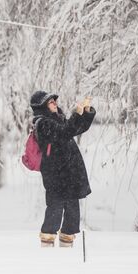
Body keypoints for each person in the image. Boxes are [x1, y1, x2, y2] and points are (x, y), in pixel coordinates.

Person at [30, 90, 95, 247]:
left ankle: (67, 246)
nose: (55, 103)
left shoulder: (58, 119)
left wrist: (85, 113)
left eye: (54, 101)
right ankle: (46, 245)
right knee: (55, 209)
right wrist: (76, 114)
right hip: (55, 175)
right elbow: (65, 132)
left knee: (72, 211)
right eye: (50, 102)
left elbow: (75, 129)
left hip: (69, 174)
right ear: (42, 106)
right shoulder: (43, 123)